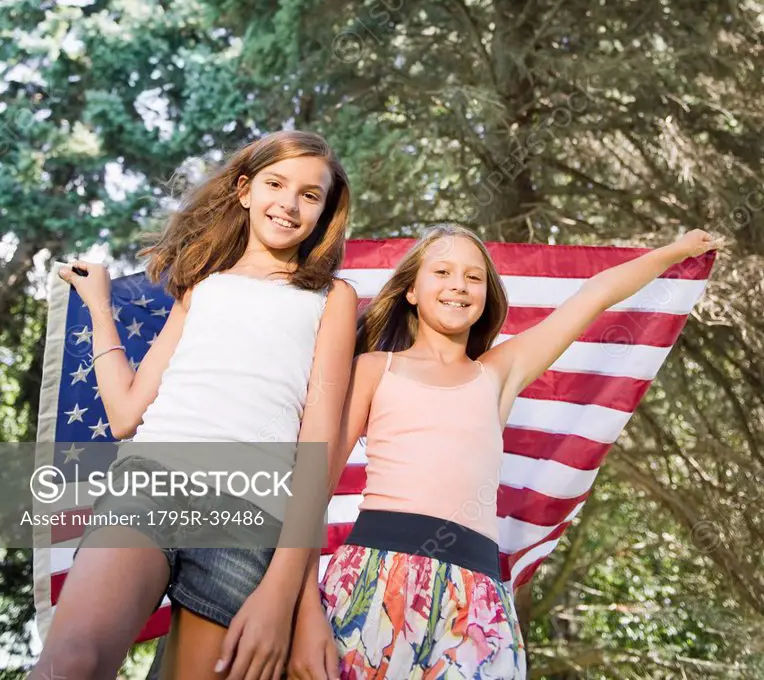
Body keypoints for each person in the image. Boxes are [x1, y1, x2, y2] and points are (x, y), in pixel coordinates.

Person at [287, 222, 725, 679]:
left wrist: (676, 251)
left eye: (474, 277)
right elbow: (312, 488)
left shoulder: (498, 374)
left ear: (485, 298)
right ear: (411, 291)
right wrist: (304, 614)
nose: (458, 285)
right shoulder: (375, 369)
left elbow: (593, 296)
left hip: (474, 599)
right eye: (442, 271)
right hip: (375, 579)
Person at [30, 130, 358, 680]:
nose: (290, 203)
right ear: (244, 190)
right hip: (152, 481)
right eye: (276, 184)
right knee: (72, 663)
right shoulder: (203, 286)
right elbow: (125, 414)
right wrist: (100, 307)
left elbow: (317, 448)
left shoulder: (332, 298)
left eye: (310, 194)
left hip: (250, 515)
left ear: (325, 211)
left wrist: (287, 595)